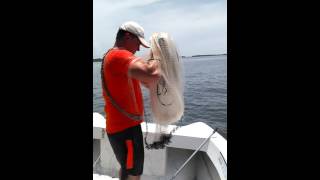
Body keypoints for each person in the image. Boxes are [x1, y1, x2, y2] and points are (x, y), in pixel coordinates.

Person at [101, 21, 160, 180]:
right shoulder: (119, 55)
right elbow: (151, 74)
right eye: (138, 43)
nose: (139, 48)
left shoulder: (114, 56)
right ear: (128, 36)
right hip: (125, 129)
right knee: (134, 173)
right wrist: (160, 54)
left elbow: (145, 80)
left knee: (127, 168)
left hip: (121, 128)